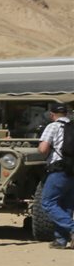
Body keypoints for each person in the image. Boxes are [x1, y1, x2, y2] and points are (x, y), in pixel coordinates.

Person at [38, 102, 73, 250]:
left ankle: (72, 228)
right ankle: (61, 240)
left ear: (52, 115)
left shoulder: (52, 126)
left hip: (58, 169)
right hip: (72, 170)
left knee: (48, 202)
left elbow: (43, 149)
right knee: (66, 205)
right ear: (66, 113)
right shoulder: (72, 126)